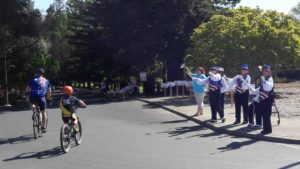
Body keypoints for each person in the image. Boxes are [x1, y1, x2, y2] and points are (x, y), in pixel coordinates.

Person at [249, 65, 274, 134]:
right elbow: (259, 90)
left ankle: (267, 130)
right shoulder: (265, 79)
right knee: (264, 115)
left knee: (266, 115)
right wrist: (251, 89)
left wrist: (264, 80)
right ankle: (267, 129)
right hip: (263, 99)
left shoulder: (270, 79)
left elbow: (268, 88)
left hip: (268, 99)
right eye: (264, 71)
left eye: (266, 71)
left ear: (269, 72)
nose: (264, 72)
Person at [25, 68, 51, 133]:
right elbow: (49, 91)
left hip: (33, 96)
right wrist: (48, 98)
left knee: (31, 102)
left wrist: (27, 96)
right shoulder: (46, 81)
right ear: (42, 74)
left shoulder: (31, 80)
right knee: (43, 112)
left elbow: (27, 90)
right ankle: (43, 127)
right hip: (41, 97)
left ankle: (34, 109)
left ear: (37, 73)